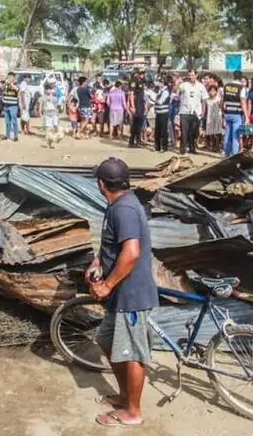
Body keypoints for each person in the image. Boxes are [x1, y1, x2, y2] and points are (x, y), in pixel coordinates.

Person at [87, 157, 158, 428]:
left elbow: (131, 253)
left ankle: (133, 411)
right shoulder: (117, 205)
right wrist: (97, 262)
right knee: (105, 339)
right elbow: (113, 245)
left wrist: (106, 284)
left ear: (101, 184)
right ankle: (125, 395)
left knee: (133, 353)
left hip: (131, 295)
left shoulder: (125, 210)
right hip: (120, 294)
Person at [177, 69, 207, 154]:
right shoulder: (184, 85)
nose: (191, 77)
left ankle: (192, 148)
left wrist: (203, 111)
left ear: (196, 75)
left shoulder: (201, 86)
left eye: (192, 75)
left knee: (193, 131)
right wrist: (178, 82)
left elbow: (204, 99)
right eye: (189, 75)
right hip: (184, 111)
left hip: (196, 112)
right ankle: (182, 149)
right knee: (184, 131)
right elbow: (176, 91)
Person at [222, 70, 249, 156]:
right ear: (241, 77)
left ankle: (226, 154)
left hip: (227, 113)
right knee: (235, 136)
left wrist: (223, 113)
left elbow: (221, 101)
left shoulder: (226, 86)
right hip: (237, 114)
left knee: (227, 135)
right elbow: (243, 102)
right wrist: (246, 116)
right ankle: (234, 154)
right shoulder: (241, 88)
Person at [127, 71, 147, 148]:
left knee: (139, 123)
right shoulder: (134, 81)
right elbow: (131, 94)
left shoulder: (141, 81)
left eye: (143, 73)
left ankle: (138, 140)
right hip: (136, 104)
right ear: (138, 74)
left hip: (140, 104)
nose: (143, 75)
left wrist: (144, 104)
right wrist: (132, 106)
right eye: (141, 73)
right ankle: (132, 141)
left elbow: (142, 93)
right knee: (136, 124)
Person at [153, 78, 172, 151]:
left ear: (163, 83)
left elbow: (160, 101)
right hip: (158, 112)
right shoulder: (160, 90)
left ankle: (164, 146)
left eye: (159, 82)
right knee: (157, 129)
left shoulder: (166, 91)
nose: (158, 84)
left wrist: (154, 99)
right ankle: (157, 146)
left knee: (163, 130)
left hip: (164, 112)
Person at [1, 75, 20, 141]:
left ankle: (15, 136)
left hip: (13, 106)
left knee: (14, 121)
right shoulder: (5, 86)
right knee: (7, 122)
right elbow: (1, 88)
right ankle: (7, 135)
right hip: (6, 105)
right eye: (8, 78)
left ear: (13, 79)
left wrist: (10, 84)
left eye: (11, 78)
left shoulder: (16, 85)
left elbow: (17, 89)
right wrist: (5, 84)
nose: (9, 79)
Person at [205, 84, 222, 152]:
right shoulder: (207, 100)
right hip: (210, 117)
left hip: (218, 117)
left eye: (213, 91)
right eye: (210, 91)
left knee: (217, 132)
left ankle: (217, 146)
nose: (212, 92)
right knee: (211, 132)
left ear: (216, 91)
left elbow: (221, 107)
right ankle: (213, 145)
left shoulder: (219, 99)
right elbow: (206, 109)